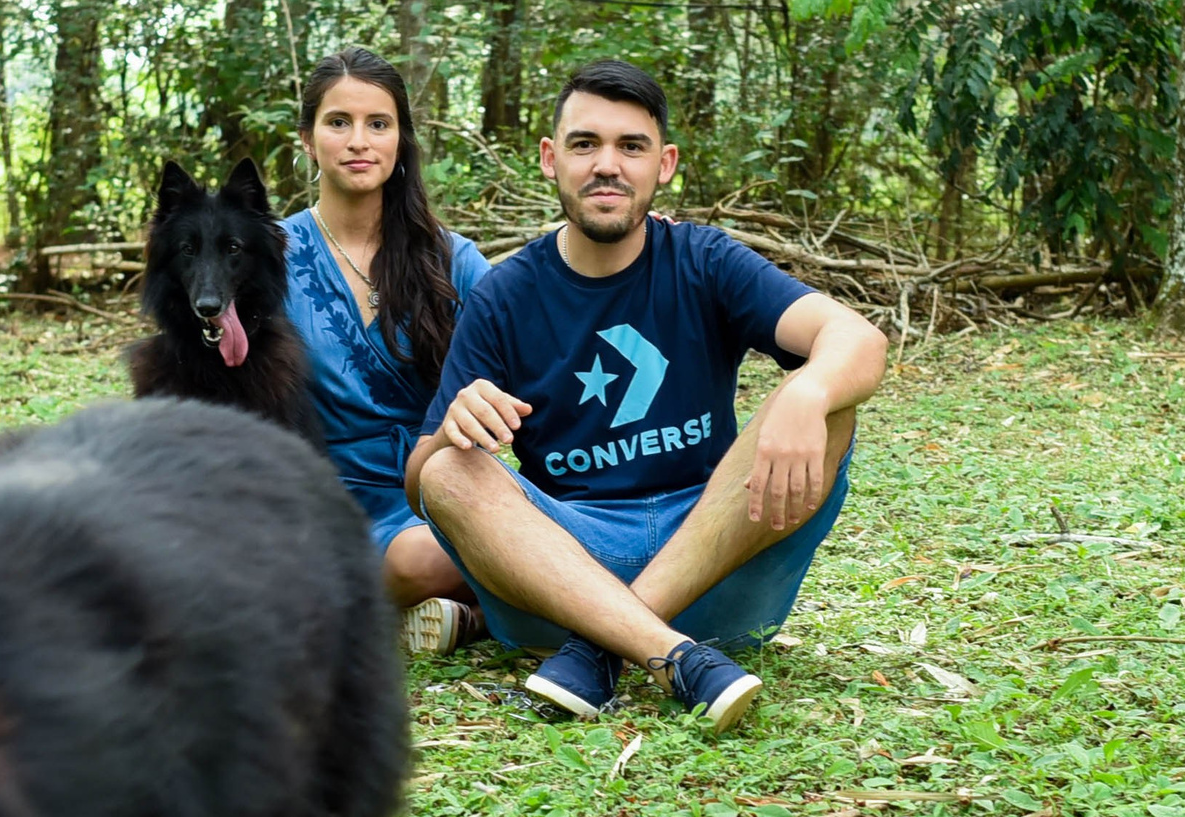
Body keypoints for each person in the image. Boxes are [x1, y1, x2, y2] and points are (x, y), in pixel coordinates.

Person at [405, 59, 889, 734]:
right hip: (570, 569)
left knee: (831, 402)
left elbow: (857, 338)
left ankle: (600, 648)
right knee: (447, 470)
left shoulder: (703, 259)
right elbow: (421, 484)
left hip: (715, 561)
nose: (607, 165)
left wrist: (807, 391)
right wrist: (452, 428)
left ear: (664, 164)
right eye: (584, 144)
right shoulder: (504, 294)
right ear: (549, 158)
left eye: (631, 146)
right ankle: (671, 655)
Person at [282, 48, 494, 654]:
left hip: (443, 484)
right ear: (307, 139)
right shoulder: (268, 257)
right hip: (325, 499)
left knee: (464, 541)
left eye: (378, 123)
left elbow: (534, 331)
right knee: (415, 560)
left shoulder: (452, 258)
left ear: (401, 138)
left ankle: (470, 616)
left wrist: (633, 248)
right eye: (338, 122)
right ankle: (482, 609)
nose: (359, 141)